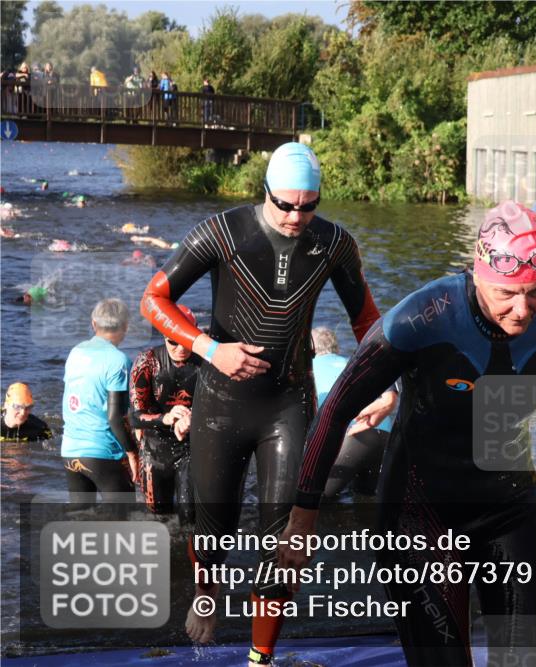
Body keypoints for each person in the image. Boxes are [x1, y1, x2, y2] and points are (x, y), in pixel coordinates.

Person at [279, 201, 536, 667]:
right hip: (420, 513)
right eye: (507, 293)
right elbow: (336, 410)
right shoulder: (419, 320)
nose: (523, 309)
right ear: (479, 272)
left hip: (510, 507)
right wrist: (302, 520)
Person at [140, 142, 396, 666]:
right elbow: (153, 299)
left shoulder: (334, 244)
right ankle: (206, 597)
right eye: (285, 204)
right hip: (221, 401)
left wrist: (388, 383)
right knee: (214, 528)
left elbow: (367, 320)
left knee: (287, 539)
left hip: (288, 402)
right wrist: (210, 348)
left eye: (309, 205)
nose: (297, 216)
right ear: (265, 194)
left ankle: (262, 657)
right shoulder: (223, 232)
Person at [61, 298, 139, 508]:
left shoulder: (75, 352)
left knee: (80, 520)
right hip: (103, 452)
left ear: (94, 324)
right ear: (125, 326)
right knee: (124, 523)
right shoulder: (118, 361)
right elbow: (115, 417)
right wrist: (132, 452)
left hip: (70, 450)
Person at [130, 305, 200, 525]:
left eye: (186, 341)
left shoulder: (206, 362)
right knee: (157, 518)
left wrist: (193, 418)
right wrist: (165, 418)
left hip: (191, 447)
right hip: (154, 449)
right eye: (173, 341)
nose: (180, 348)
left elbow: (224, 410)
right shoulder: (148, 362)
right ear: (163, 336)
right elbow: (134, 416)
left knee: (189, 518)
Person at [311, 327, 392, 498]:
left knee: (314, 499)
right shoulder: (354, 362)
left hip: (353, 435)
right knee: (365, 499)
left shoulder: (310, 368)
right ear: (337, 349)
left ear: (311, 350)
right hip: (384, 434)